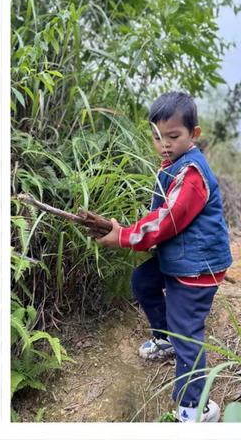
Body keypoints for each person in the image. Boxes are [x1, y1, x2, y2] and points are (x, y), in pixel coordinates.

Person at [97, 91, 232, 422]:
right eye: (159, 137)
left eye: (174, 136)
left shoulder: (192, 175)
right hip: (180, 256)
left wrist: (125, 235)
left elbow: (168, 219)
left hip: (197, 268)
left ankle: (193, 408)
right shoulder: (174, 165)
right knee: (143, 280)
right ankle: (164, 338)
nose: (165, 144)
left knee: (187, 330)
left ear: (193, 134)